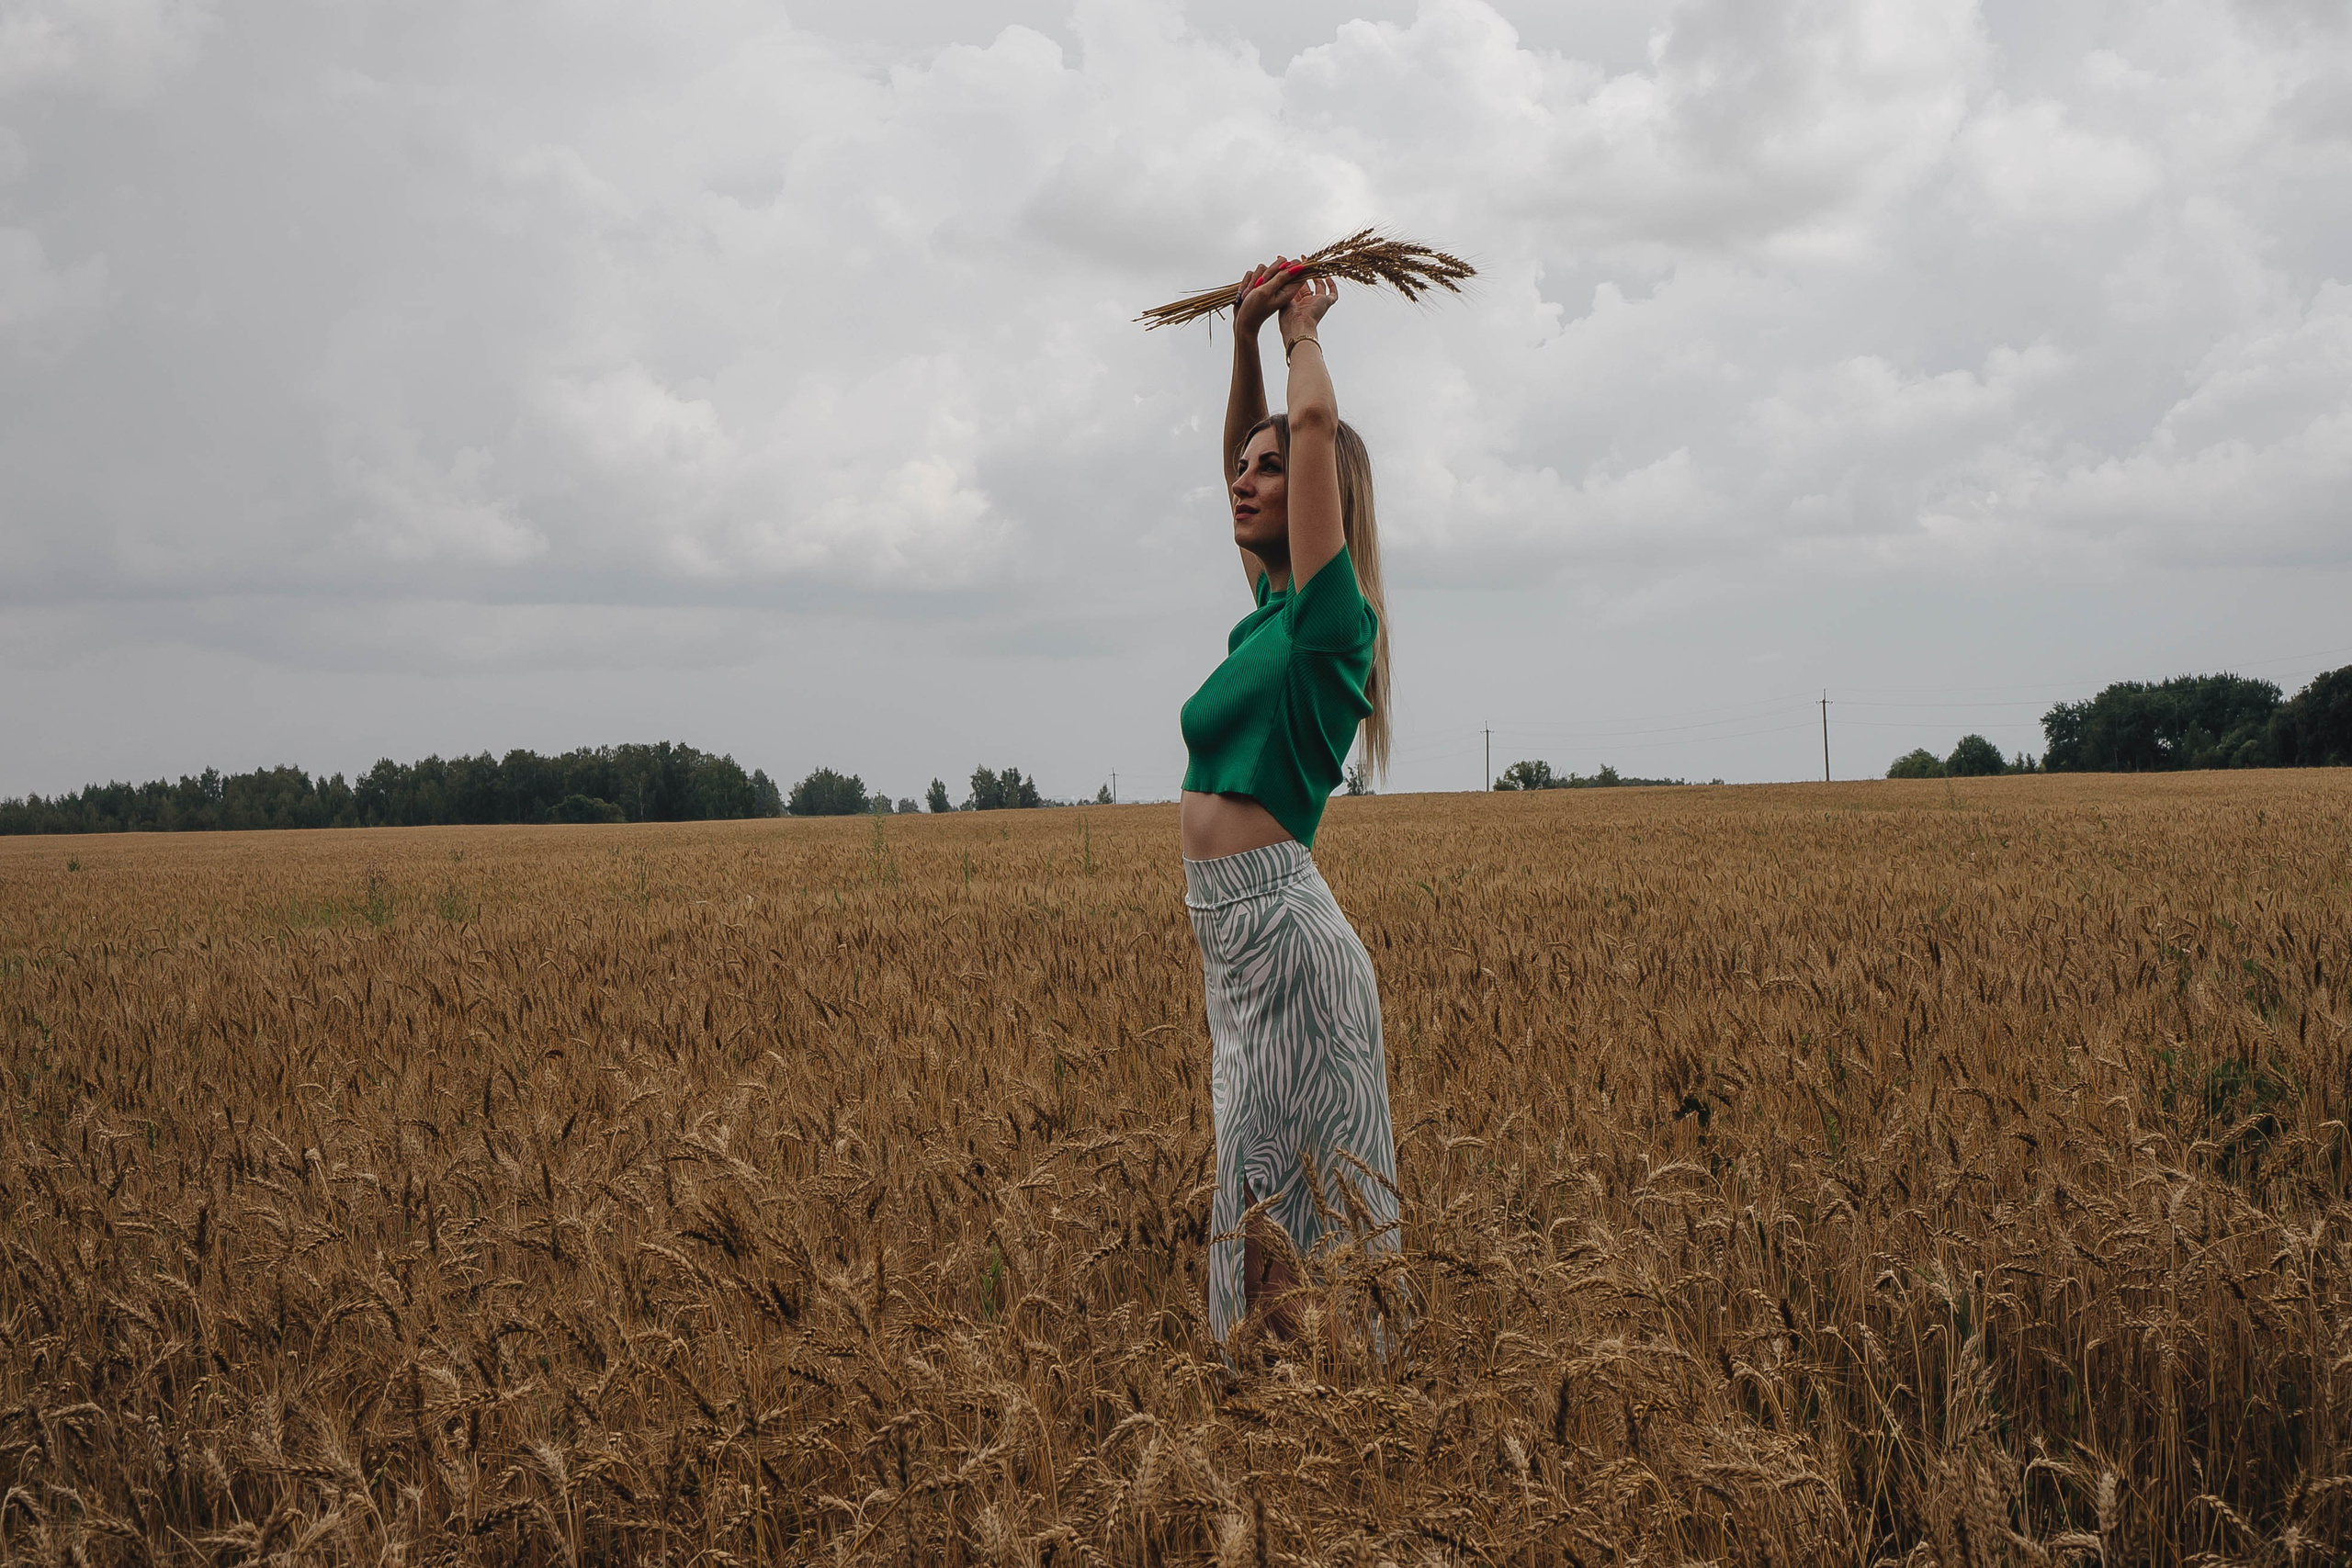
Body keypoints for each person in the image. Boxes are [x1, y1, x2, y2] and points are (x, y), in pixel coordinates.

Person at [1179, 255, 1401, 1352]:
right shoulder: (1267, 618)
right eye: (1243, 468)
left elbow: (1312, 431)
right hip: (1236, 952)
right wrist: (1238, 344)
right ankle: (1290, 1441)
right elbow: (1255, 444)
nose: (1245, 478)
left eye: (1270, 472)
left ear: (1318, 498)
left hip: (1286, 948)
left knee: (1294, 1229)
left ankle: (1340, 1439)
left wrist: (1300, 328)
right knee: (1259, 1215)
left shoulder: (1326, 625)